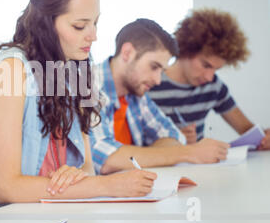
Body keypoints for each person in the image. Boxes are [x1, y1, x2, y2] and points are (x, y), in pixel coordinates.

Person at [0, 0, 157, 208]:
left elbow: (87, 167)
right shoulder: (11, 70)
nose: (93, 35)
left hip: (53, 217)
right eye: (79, 26)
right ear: (46, 25)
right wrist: (109, 185)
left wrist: (76, 177)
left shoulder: (75, 70)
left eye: (95, 23)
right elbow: (7, 188)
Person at [89, 19, 230, 175]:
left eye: (161, 71)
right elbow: (105, 159)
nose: (157, 80)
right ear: (127, 53)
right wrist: (189, 153)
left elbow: (173, 135)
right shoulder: (88, 86)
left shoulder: (136, 94)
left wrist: (135, 157)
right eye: (154, 67)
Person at [148, 8, 270, 149]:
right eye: (206, 65)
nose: (209, 76)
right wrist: (171, 140)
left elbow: (247, 129)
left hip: (199, 168)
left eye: (216, 69)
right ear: (185, 50)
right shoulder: (149, 83)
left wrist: (265, 137)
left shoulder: (213, 87)